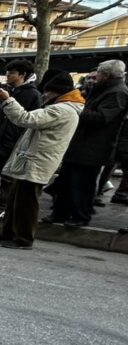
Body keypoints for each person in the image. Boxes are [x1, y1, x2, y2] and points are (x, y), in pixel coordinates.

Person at [0, 71, 82, 249]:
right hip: (32, 160)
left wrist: (8, 100)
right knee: (15, 199)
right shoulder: (61, 108)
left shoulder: (61, 110)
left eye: (47, 91)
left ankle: (23, 238)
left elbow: (26, 118)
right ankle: (9, 232)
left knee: (27, 203)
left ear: (56, 92)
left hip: (37, 162)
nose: (44, 95)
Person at [46, 60, 128, 227]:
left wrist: (77, 109)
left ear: (106, 75)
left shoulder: (118, 92)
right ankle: (60, 213)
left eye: (98, 73)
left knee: (82, 185)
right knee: (66, 181)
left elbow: (102, 118)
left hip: (93, 147)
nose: (95, 76)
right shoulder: (101, 89)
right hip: (80, 144)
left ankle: (80, 216)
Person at [0, 59, 41, 216]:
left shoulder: (32, 94)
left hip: (14, 141)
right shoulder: (4, 91)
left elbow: (30, 119)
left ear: (22, 75)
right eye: (7, 72)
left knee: (8, 176)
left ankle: (3, 205)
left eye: (12, 73)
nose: (8, 75)